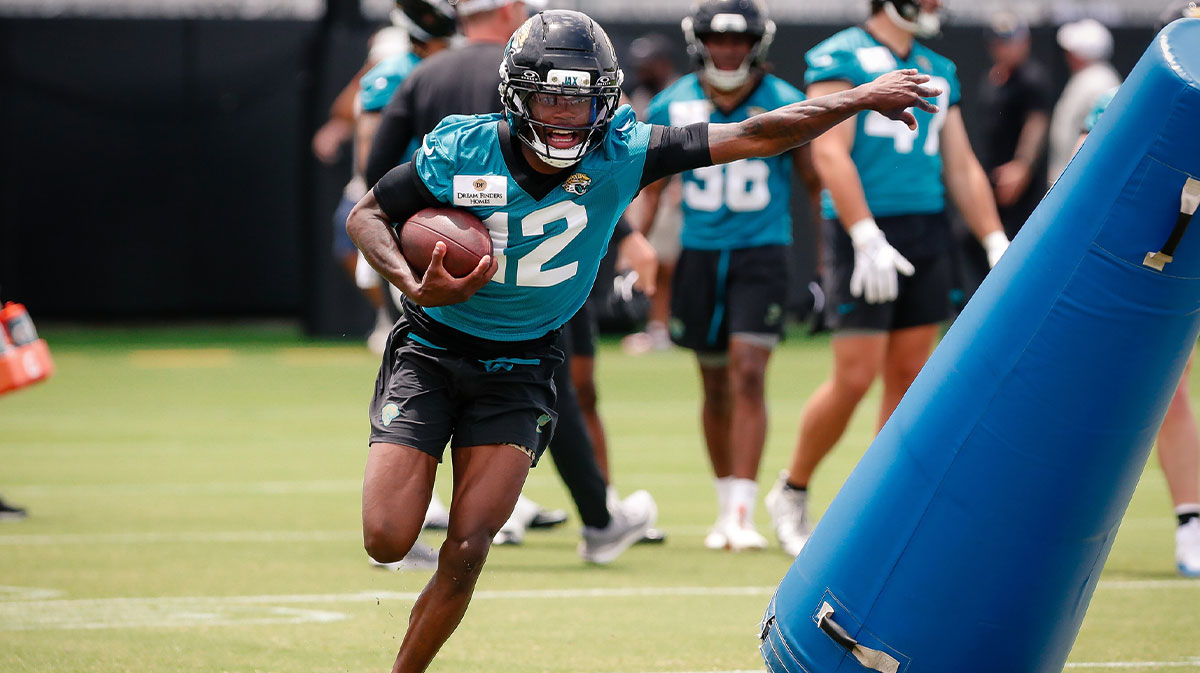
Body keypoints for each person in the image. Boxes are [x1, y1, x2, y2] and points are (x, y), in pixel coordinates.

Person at [347, 9, 940, 672]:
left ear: (606, 103)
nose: (566, 118)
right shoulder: (464, 147)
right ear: (516, 94)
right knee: (388, 536)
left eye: (582, 102)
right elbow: (369, 213)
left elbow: (759, 132)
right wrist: (410, 282)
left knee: (467, 547)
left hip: (521, 362)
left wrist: (860, 97)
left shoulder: (624, 149)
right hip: (432, 347)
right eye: (550, 98)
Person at [365, 0, 660, 553]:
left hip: (435, 269)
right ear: (510, 16)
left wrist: (418, 241)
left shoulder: (426, 73)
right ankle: (594, 517)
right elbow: (575, 164)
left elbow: (376, 170)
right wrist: (622, 235)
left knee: (450, 388)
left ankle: (498, 506)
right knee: (555, 395)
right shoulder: (545, 80)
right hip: (536, 274)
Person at [764, 0, 1010, 558]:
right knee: (854, 376)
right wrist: (864, 235)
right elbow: (829, 153)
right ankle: (793, 488)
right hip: (863, 226)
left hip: (925, 226)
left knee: (908, 376)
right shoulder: (839, 55)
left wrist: (995, 239)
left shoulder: (938, 68)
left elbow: (962, 163)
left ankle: (880, 509)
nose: (936, 5)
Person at [627, 0, 820, 552]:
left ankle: (742, 510)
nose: (729, 50)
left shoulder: (785, 100)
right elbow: (647, 181)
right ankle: (722, 506)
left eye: (739, 40)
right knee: (713, 381)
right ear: (700, 41)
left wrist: (826, 265)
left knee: (749, 372)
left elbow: (814, 183)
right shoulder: (674, 100)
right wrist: (633, 241)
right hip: (700, 254)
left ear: (757, 43)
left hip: (762, 253)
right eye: (718, 39)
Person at [1073, 0, 1200, 577]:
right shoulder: (1122, 99)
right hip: (1133, 264)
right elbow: (1079, 173)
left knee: (1169, 390)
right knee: (1147, 391)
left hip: (1183, 260)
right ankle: (1190, 523)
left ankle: (1191, 521)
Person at [956, 11, 1052, 304]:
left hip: (1017, 187)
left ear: (1025, 42)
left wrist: (1021, 166)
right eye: (998, 42)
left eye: (1010, 41)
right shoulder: (993, 79)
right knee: (966, 237)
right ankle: (977, 308)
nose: (1004, 48)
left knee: (1016, 250)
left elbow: (1037, 123)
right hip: (989, 178)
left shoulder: (1032, 78)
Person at [622, 33, 683, 355]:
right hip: (646, 188)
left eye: (649, 64)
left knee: (665, 263)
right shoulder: (641, 96)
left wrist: (682, 186)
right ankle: (655, 327)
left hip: (675, 191)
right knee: (648, 260)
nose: (642, 70)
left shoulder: (682, 94)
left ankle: (661, 327)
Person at [1046, 18, 1119, 187]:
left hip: (1080, 184)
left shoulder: (1101, 82)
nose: (1068, 55)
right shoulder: (1087, 78)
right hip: (1068, 181)